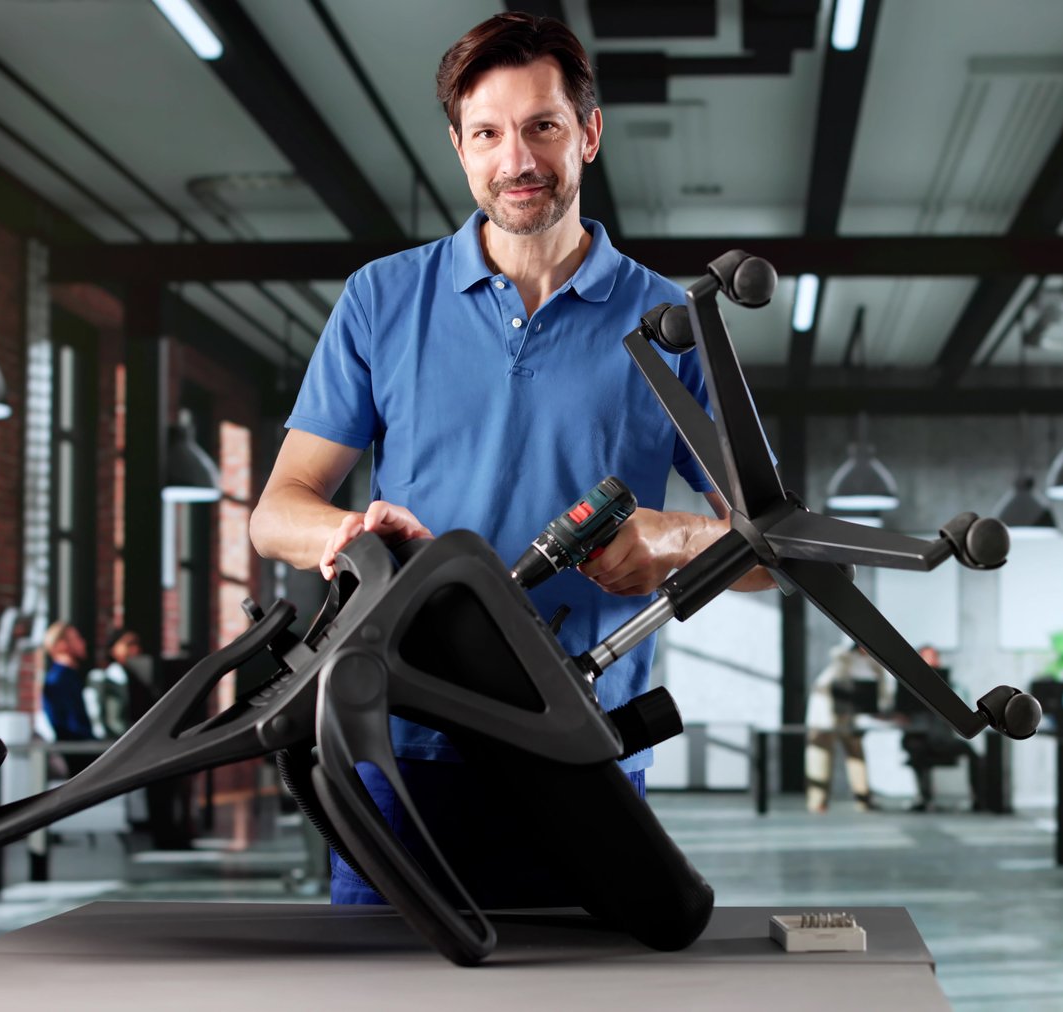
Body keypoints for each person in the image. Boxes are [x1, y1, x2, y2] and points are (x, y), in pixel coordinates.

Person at [248, 12, 772, 907]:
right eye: (488, 133)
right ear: (460, 148)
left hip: (583, 749)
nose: (517, 160)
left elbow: (771, 550)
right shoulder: (383, 299)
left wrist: (675, 539)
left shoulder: (673, 326)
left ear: (589, 134)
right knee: (380, 977)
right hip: (395, 742)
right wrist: (350, 534)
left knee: (584, 979)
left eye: (543, 127)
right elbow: (277, 512)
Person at [896, 646, 984, 813]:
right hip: (919, 737)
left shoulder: (950, 685)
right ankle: (925, 798)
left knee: (972, 753)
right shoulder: (907, 685)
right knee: (917, 748)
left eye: (934, 657)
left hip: (942, 739)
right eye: (927, 658)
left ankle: (979, 798)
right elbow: (899, 712)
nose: (932, 661)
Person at [804, 644, 887, 813]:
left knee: (856, 756)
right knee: (820, 757)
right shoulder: (845, 659)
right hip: (825, 715)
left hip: (849, 715)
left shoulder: (872, 663)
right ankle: (817, 802)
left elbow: (876, 693)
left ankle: (863, 799)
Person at [40, 621, 94, 742]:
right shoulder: (60, 679)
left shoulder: (68, 676)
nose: (83, 643)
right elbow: (72, 725)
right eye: (76, 638)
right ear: (62, 645)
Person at [84, 627, 140, 739]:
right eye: (129, 644)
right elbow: (114, 721)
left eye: (136, 644)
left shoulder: (134, 675)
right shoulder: (112, 678)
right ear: (113, 648)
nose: (134, 649)